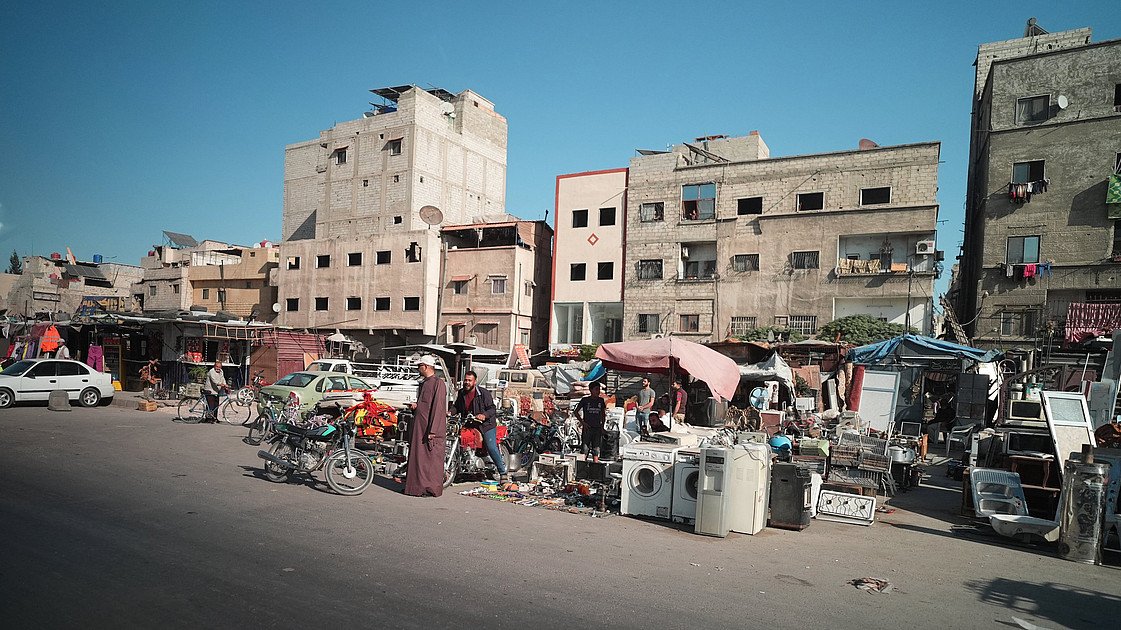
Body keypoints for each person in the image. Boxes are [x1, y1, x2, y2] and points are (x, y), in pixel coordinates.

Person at [451, 370, 508, 484]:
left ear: (475, 382)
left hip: (486, 425)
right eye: (465, 380)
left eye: (469, 380)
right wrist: (449, 412)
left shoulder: (483, 393)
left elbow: (492, 409)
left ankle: (503, 473)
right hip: (470, 423)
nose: (467, 382)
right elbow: (456, 407)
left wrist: (484, 415)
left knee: (491, 446)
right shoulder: (462, 393)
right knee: (459, 441)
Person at [404, 355, 448, 497]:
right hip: (420, 427)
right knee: (418, 459)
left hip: (429, 428)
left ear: (426, 366)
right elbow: (426, 405)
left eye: (419, 366)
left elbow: (438, 408)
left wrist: (433, 430)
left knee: (430, 460)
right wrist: (416, 406)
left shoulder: (438, 383)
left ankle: (429, 488)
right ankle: (416, 488)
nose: (418, 369)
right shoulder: (424, 383)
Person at [574, 381, 607, 463]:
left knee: (596, 449)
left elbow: (603, 414)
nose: (598, 391)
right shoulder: (585, 400)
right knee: (585, 448)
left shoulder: (601, 400)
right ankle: (583, 468)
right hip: (587, 428)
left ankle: (595, 468)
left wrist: (602, 427)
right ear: (591, 390)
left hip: (597, 428)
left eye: (599, 389)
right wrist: (583, 423)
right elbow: (576, 412)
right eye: (596, 389)